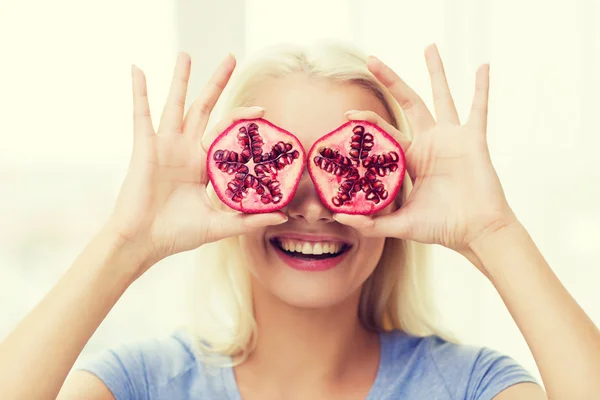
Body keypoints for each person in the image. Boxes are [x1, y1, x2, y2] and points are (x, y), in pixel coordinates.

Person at [0, 40, 598, 400]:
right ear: (223, 192)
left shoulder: (467, 385)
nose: (311, 205)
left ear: (397, 192)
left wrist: (495, 234)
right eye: (277, 166)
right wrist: (125, 242)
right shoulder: (143, 382)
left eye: (346, 167)